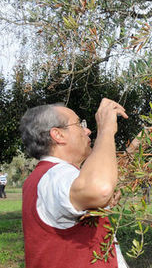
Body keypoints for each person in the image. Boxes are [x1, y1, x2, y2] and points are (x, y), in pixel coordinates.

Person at [20, 99, 129, 268]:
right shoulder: (55, 175)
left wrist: (133, 150)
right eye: (79, 124)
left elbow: (100, 182)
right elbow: (100, 188)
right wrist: (106, 130)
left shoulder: (46, 176)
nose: (87, 130)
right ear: (58, 135)